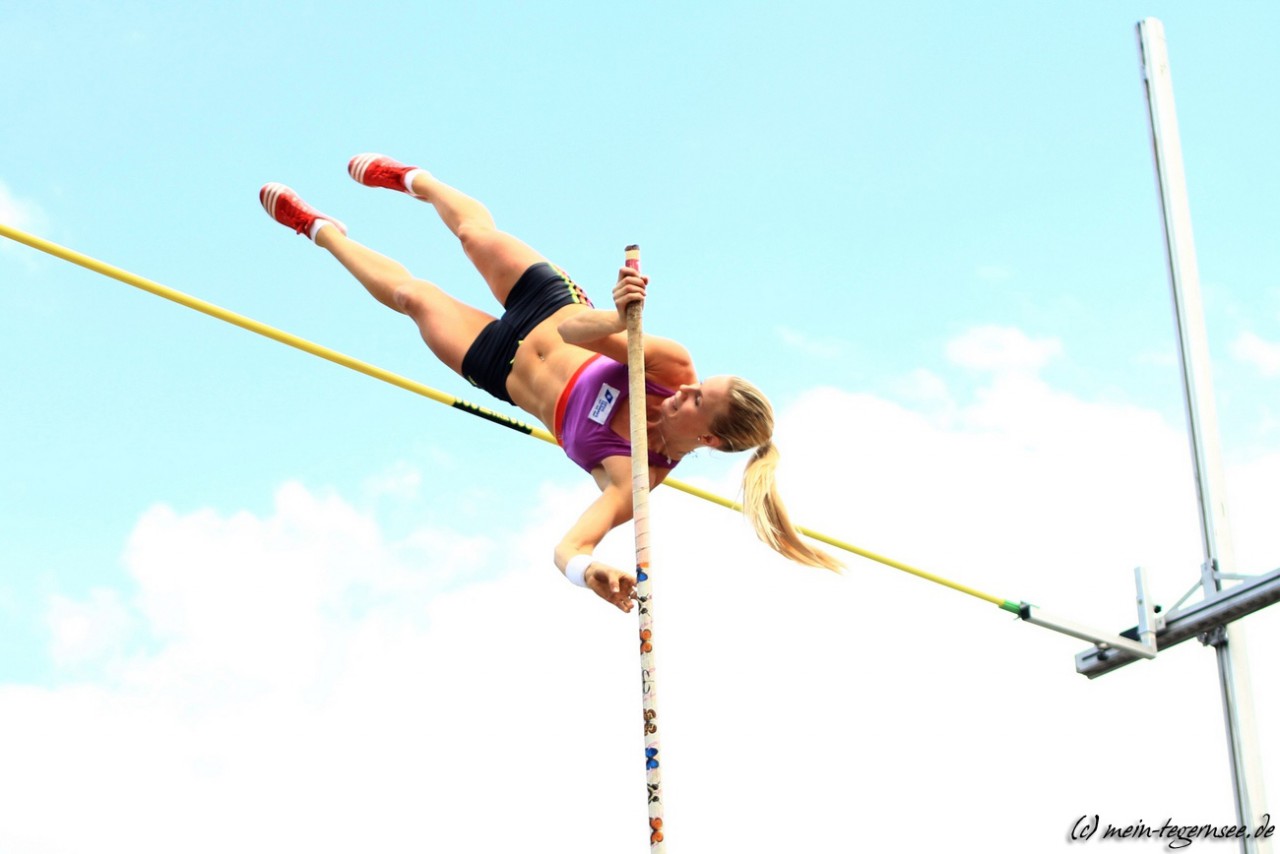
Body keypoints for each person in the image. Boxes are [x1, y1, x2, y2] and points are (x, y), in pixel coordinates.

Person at [259, 154, 840, 611]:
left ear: (709, 439)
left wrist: (590, 574)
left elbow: (569, 548)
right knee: (473, 235)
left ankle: (317, 228)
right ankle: (417, 180)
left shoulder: (636, 476)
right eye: (698, 386)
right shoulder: (672, 367)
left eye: (696, 401)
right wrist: (618, 318)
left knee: (413, 299)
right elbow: (583, 335)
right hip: (550, 309)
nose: (687, 389)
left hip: (499, 368)